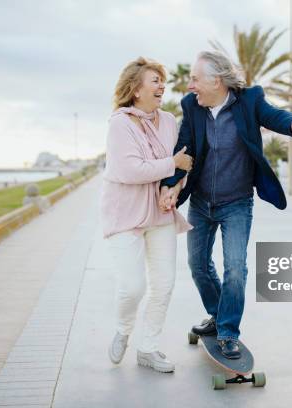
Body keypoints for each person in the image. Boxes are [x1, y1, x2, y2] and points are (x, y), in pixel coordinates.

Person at [159, 51, 292, 359]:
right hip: (200, 202)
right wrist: (170, 186)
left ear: (217, 81)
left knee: (235, 269)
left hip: (237, 203)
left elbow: (275, 116)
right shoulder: (191, 108)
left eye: (195, 79)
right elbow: (183, 151)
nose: (190, 86)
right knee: (198, 266)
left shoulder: (249, 100)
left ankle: (227, 332)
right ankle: (217, 315)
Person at [101, 57, 193, 373]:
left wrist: (174, 190)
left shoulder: (168, 120)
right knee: (133, 286)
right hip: (125, 213)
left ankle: (149, 348)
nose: (161, 87)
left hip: (161, 212)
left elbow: (184, 163)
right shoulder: (120, 123)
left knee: (164, 283)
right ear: (135, 88)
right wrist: (173, 166)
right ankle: (123, 330)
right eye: (155, 81)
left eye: (162, 81)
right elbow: (129, 170)